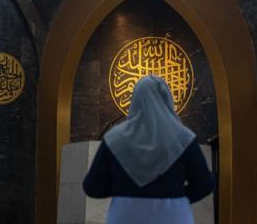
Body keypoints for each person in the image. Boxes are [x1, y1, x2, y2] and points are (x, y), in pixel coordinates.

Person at [83, 75, 214, 224]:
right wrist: (177, 195)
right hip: (172, 215)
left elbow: (92, 186)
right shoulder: (183, 138)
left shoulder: (115, 138)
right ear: (168, 100)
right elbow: (205, 184)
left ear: (135, 101)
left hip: (126, 215)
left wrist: (123, 191)